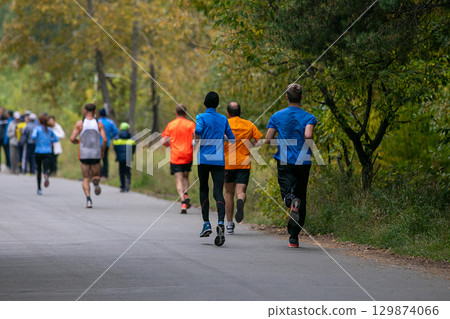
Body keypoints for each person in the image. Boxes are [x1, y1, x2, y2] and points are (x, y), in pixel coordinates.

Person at [265, 83, 317, 248]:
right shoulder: (309, 117)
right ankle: (293, 238)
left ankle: (291, 200)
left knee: (288, 193)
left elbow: (267, 139)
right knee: (301, 196)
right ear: (301, 97)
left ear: (286, 97)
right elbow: (308, 134)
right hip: (303, 160)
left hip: (285, 160)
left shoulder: (277, 116)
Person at [195, 91, 235, 246]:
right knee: (218, 190)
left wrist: (197, 138)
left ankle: (206, 223)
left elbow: (198, 131)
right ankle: (220, 222)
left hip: (204, 159)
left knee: (203, 188)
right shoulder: (223, 118)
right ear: (217, 104)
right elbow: (231, 139)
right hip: (219, 160)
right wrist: (222, 138)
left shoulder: (201, 117)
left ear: (205, 103)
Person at [223, 102, 263, 234]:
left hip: (228, 163)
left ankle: (229, 224)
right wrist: (250, 146)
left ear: (227, 113)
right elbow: (260, 141)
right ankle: (240, 201)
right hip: (244, 163)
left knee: (228, 193)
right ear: (240, 112)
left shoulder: (224, 124)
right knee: (241, 192)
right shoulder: (249, 124)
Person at [70, 103, 107, 208]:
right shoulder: (99, 124)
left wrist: (78, 142)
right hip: (95, 153)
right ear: (95, 112)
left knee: (85, 177)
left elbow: (72, 138)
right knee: (95, 175)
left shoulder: (80, 124)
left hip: (84, 153)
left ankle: (88, 199)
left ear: (85, 111)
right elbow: (104, 139)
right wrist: (102, 150)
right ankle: (95, 181)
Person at [161, 104, 196, 214]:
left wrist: (169, 146)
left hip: (175, 156)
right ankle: (186, 194)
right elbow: (197, 137)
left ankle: (183, 202)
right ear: (186, 113)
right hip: (188, 155)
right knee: (186, 177)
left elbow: (163, 141)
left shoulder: (171, 125)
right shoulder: (191, 124)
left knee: (178, 179)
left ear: (176, 113)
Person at [32, 115, 59, 195]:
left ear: (39, 121)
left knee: (39, 170)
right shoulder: (50, 130)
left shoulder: (37, 129)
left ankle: (39, 188)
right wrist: (49, 140)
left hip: (38, 151)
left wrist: (37, 140)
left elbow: (33, 137)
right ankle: (46, 174)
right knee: (46, 167)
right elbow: (56, 139)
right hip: (47, 151)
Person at [113, 122, 136, 193]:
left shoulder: (116, 139)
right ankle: (127, 184)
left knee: (121, 172)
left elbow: (115, 149)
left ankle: (122, 186)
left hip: (120, 158)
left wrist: (118, 155)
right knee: (128, 172)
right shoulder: (131, 139)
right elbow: (133, 149)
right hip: (128, 158)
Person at [98, 108, 118, 179]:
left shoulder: (97, 121)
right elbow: (116, 131)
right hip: (106, 143)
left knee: (97, 159)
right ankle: (105, 175)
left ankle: (99, 174)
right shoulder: (110, 122)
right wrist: (109, 137)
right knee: (105, 159)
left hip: (97, 143)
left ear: (99, 114)